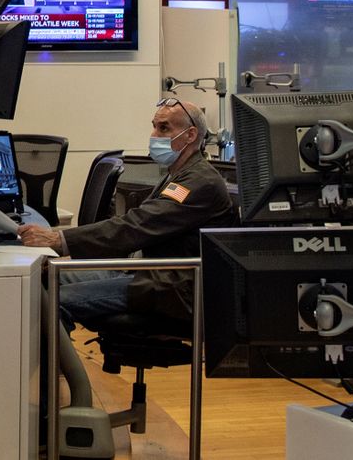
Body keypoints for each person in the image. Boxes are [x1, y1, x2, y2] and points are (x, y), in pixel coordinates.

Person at [18, 98, 237, 328]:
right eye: (154, 125)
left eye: (164, 128)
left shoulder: (201, 181)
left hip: (173, 286)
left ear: (191, 135)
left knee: (51, 302)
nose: (154, 134)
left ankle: (58, 365)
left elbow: (136, 225)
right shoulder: (178, 174)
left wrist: (58, 240)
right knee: (43, 280)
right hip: (148, 274)